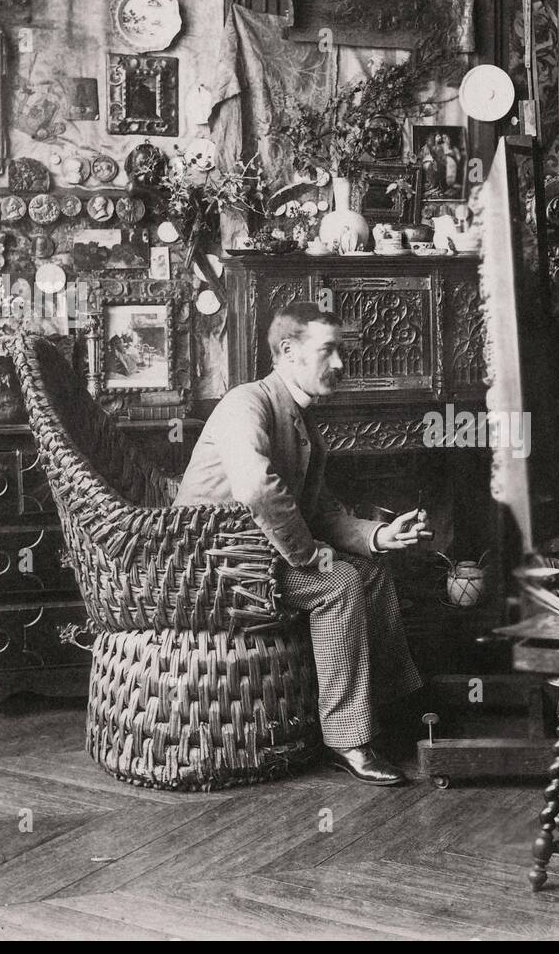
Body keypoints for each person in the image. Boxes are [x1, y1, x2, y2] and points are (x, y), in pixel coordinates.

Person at [172, 304, 428, 785]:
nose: (339, 366)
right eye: (328, 351)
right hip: (214, 565)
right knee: (341, 583)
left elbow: (321, 511)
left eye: (342, 353)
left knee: (372, 571)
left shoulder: (300, 419)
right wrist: (309, 556)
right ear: (288, 352)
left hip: (257, 556)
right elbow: (257, 490)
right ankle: (346, 740)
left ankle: (387, 709)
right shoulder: (246, 404)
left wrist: (377, 535)